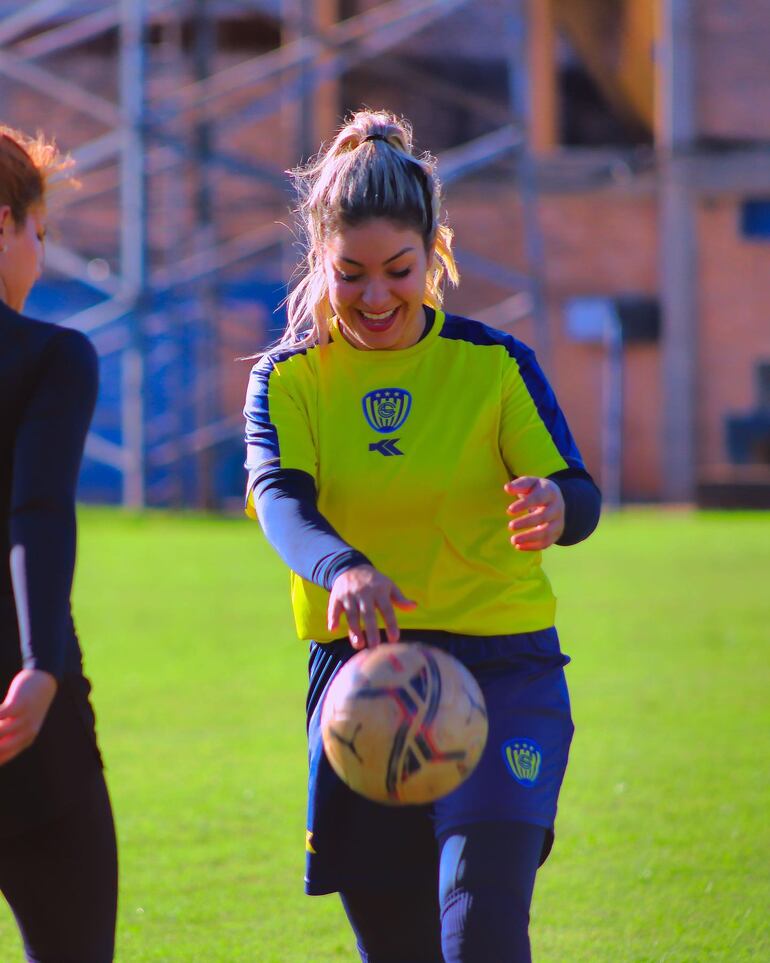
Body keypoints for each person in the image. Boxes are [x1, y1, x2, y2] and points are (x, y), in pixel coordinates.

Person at [243, 109, 601, 963]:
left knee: (482, 932)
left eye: (399, 271)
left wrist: (556, 503)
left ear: (436, 252)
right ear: (319, 262)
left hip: (504, 668)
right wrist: (343, 568)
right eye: (351, 274)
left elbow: (580, 492)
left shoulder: (493, 362)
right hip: (365, 677)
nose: (374, 297)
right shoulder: (288, 377)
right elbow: (279, 499)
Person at [0, 126, 117, 962]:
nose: (39, 257)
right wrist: (41, 665)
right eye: (37, 232)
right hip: (24, 718)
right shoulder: (52, 357)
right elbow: (36, 508)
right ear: (2, 224)